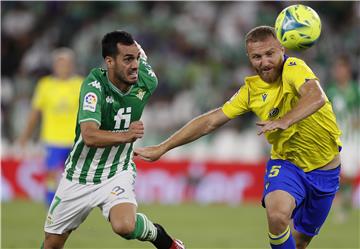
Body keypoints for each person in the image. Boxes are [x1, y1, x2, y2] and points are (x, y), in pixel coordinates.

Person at [135, 26, 342, 249]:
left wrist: (286, 119)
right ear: (249, 58)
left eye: (270, 54)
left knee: (300, 242)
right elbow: (210, 121)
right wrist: (163, 148)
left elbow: (316, 95)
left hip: (326, 171)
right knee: (277, 215)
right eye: (257, 57)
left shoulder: (294, 68)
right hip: (287, 163)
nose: (264, 62)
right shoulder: (251, 91)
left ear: (282, 49)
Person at [41, 30, 185, 249]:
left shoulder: (147, 81)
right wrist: (127, 134)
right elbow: (89, 135)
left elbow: (141, 57)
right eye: (127, 59)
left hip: (117, 170)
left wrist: (136, 54)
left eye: (136, 58)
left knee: (125, 226)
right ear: (109, 62)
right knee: (52, 244)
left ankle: (164, 239)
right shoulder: (94, 85)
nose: (135, 65)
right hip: (79, 175)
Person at [18, 47, 83, 206]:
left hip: (76, 139)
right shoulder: (45, 85)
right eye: (60, 64)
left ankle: (75, 205)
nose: (63, 67)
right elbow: (35, 113)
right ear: (54, 66)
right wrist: (25, 136)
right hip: (52, 138)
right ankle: (51, 206)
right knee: (51, 175)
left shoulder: (81, 84)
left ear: (72, 65)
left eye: (66, 64)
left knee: (76, 175)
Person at [326, 55, 360, 223]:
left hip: (354, 140)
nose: (338, 71)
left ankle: (345, 206)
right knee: (341, 174)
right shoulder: (330, 91)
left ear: (347, 70)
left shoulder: (356, 90)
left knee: (349, 175)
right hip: (336, 140)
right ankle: (342, 206)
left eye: (341, 68)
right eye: (336, 69)